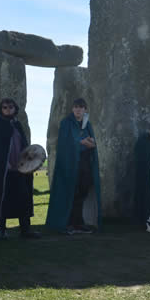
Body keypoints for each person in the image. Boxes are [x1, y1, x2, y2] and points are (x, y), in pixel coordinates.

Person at [0, 98, 40, 239]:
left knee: (23, 199)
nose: (8, 109)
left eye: (11, 107)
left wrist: (31, 160)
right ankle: (1, 231)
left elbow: (24, 145)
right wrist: (2, 163)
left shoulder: (17, 124)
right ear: (1, 109)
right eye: (5, 107)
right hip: (3, 171)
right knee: (3, 200)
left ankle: (25, 230)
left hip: (20, 169)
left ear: (15, 109)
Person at [46, 98, 102, 234]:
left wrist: (91, 143)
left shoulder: (87, 124)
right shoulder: (66, 123)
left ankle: (78, 222)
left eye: (81, 107)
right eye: (76, 107)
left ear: (85, 109)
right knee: (71, 191)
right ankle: (69, 222)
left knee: (83, 191)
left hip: (85, 162)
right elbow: (64, 142)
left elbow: (91, 141)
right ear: (72, 109)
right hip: (70, 163)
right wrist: (81, 142)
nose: (78, 109)